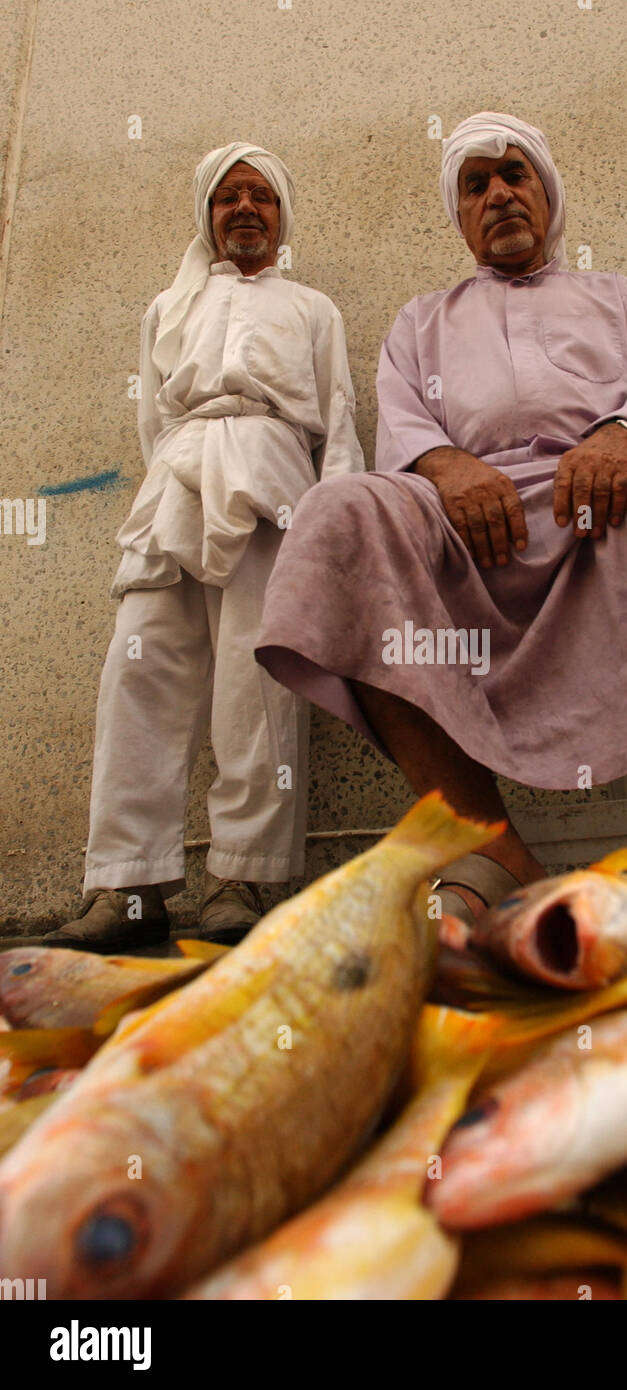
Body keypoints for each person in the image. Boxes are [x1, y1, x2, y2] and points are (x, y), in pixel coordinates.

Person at [256, 112, 627, 925]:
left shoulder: (619, 298)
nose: (500, 195)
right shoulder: (420, 321)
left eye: (515, 175)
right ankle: (485, 849)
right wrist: (444, 466)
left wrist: (622, 432)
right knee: (340, 511)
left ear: (546, 193)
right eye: (476, 185)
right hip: (468, 527)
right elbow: (405, 432)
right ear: (460, 215)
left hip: (612, 511)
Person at [46, 141, 364, 951]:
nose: (246, 209)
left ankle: (245, 874)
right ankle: (127, 883)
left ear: (282, 214)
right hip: (176, 486)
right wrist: (177, 475)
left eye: (262, 196)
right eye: (229, 199)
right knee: (139, 669)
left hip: (272, 484)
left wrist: (338, 533)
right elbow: (154, 421)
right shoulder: (166, 308)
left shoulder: (313, 308)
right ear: (207, 215)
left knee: (255, 683)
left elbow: (339, 424)